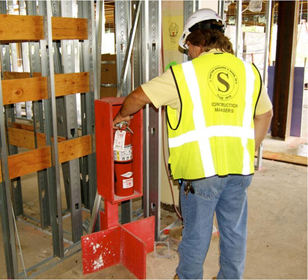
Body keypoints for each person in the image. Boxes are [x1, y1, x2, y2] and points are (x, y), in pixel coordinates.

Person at [113, 8, 273, 279]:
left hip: (201, 175)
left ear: (197, 40)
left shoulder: (183, 75)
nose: (188, 52)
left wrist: (121, 115)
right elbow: (265, 114)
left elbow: (138, 96)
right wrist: (249, 150)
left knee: (197, 234)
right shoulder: (249, 72)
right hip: (240, 171)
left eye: (188, 46)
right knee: (234, 232)